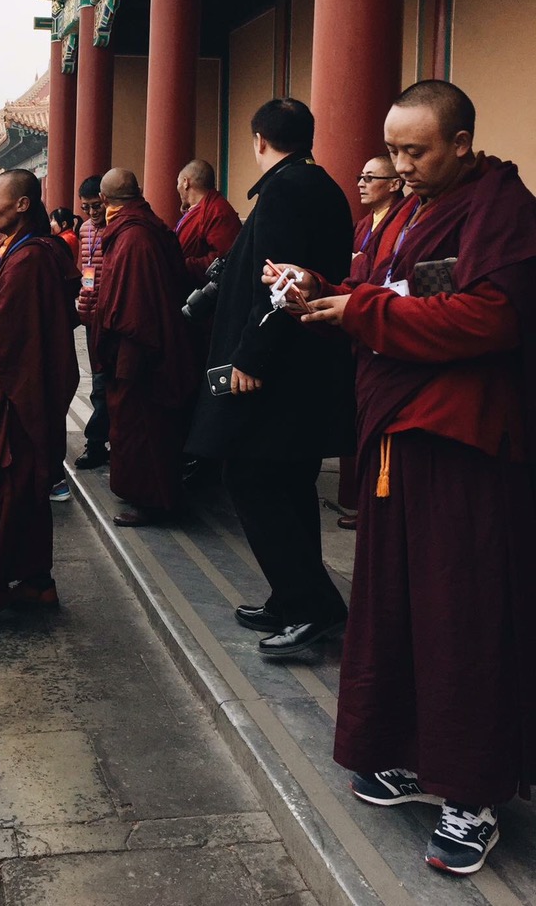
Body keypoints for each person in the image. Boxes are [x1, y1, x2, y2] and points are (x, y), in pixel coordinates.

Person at [286, 80, 536, 876]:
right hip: (400, 433)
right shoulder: (414, 215)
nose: (400, 167)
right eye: (393, 152)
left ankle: (472, 793)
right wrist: (326, 295)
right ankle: (404, 752)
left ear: (462, 141)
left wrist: (361, 313)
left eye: (415, 152)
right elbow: (413, 296)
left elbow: (488, 316)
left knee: (460, 611)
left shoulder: (502, 208)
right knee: (395, 603)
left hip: (461, 445)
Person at [186, 98, 354, 660]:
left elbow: (276, 284)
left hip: (278, 370)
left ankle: (314, 606)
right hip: (306, 364)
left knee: (251, 478)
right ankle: (291, 596)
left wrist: (251, 360)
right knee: (288, 482)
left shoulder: (285, 190)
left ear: (259, 140)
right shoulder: (322, 186)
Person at [0, 170, 79, 626]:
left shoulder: (29, 260)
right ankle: (38, 582)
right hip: (18, 390)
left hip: (14, 395)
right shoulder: (25, 251)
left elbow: (5, 336)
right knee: (22, 490)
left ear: (22, 204)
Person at [92, 169, 196, 526]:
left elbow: (135, 307)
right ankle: (149, 495)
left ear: (105, 201)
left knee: (143, 428)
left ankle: (153, 502)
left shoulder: (134, 237)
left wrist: (125, 357)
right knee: (142, 427)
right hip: (152, 341)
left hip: (141, 351)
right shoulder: (142, 226)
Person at [336, 156, 405, 527]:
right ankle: (362, 499)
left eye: (370, 177)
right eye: (359, 176)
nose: (361, 183)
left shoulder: (404, 220)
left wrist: (358, 265)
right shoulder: (365, 223)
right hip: (359, 328)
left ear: (395, 184)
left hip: (383, 327)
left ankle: (375, 506)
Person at [74, 175, 110, 471]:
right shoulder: (85, 230)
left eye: (96, 206)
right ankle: (97, 441)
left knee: (104, 380)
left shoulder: (116, 228)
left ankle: (97, 442)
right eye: (86, 208)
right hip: (89, 313)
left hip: (109, 312)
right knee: (98, 376)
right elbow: (85, 269)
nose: (92, 213)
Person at [175, 159, 241, 284]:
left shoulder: (217, 210)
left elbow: (225, 257)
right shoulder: (198, 210)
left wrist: (184, 264)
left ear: (185, 182)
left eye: (178, 182)